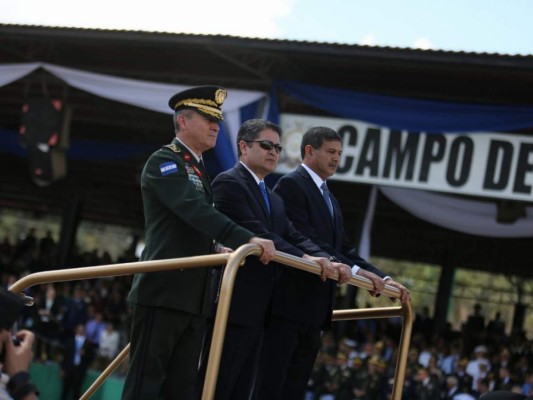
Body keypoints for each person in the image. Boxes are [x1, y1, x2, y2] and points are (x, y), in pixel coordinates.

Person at [122, 86, 276, 400]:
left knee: (179, 390)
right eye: (207, 118)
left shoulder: (197, 168)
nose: (215, 125)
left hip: (193, 298)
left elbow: (191, 227)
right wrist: (247, 237)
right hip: (163, 292)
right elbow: (194, 211)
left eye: (217, 119)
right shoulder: (164, 161)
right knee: (145, 386)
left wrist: (217, 249)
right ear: (182, 121)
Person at [196, 118, 355, 400]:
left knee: (240, 390)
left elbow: (292, 235)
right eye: (266, 145)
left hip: (262, 310)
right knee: (217, 386)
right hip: (235, 305)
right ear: (243, 147)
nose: (273, 152)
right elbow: (258, 233)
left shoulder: (272, 196)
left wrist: (322, 258)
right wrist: (307, 257)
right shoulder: (229, 183)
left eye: (278, 147)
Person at [256, 126, 410, 399]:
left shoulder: (331, 198)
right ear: (309, 151)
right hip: (288, 306)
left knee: (294, 388)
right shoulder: (291, 185)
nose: (336, 158)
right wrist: (353, 271)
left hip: (315, 311)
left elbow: (346, 248)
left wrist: (382, 278)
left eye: (339, 153)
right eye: (330, 152)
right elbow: (304, 237)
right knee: (271, 386)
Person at [60, 323, 95, 400]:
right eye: (79, 330)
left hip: (80, 370)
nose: (80, 332)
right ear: (76, 331)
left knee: (76, 390)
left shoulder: (88, 343)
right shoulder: (70, 341)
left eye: (82, 330)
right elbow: (65, 356)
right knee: (65, 390)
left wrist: (85, 354)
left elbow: (91, 357)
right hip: (69, 368)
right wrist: (62, 368)